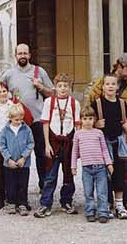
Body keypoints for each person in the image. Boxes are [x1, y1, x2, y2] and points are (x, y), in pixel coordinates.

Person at [87, 53, 127, 211]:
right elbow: (89, 104)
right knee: (105, 167)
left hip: (124, 133)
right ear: (119, 66)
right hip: (103, 134)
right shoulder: (102, 82)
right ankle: (108, 201)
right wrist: (95, 123)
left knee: (126, 166)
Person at [1, 43, 54, 191]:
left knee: (41, 155)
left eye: (25, 53)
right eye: (20, 53)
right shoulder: (8, 74)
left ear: (30, 55)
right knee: (16, 155)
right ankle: (14, 190)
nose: (23, 56)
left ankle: (44, 186)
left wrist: (41, 87)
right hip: (17, 123)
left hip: (37, 120)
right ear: (15, 56)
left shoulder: (39, 71)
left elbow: (52, 93)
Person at [0, 81, 33, 210]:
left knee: (15, 169)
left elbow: (29, 119)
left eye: (4, 91)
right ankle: (0, 197)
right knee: (0, 170)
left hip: (14, 137)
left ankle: (16, 197)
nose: (2, 94)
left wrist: (19, 103)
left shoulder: (14, 105)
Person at [34, 73, 80, 218]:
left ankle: (66, 201)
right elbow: (45, 123)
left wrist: (77, 147)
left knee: (68, 174)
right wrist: (47, 144)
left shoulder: (74, 103)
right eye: (59, 86)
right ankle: (45, 204)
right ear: (55, 87)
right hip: (53, 142)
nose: (62, 89)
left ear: (70, 87)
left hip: (68, 141)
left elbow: (78, 126)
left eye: (65, 86)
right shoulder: (49, 102)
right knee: (50, 175)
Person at [91, 73, 127, 220]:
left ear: (117, 87)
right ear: (102, 87)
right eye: (107, 84)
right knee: (104, 175)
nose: (110, 86)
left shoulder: (122, 104)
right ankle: (106, 204)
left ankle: (119, 204)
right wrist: (96, 124)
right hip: (102, 144)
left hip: (118, 143)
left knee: (119, 174)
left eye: (113, 84)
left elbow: (126, 122)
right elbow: (88, 123)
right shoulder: (96, 104)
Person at [71, 107, 113, 223]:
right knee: (88, 191)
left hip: (100, 168)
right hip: (86, 168)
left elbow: (104, 150)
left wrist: (109, 163)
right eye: (85, 118)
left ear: (94, 119)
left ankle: (103, 212)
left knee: (102, 191)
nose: (88, 121)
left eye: (90, 118)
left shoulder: (99, 133)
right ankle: (90, 211)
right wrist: (73, 166)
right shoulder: (78, 134)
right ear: (81, 120)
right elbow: (74, 151)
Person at [0, 104, 34, 216]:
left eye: (21, 119)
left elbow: (30, 143)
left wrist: (24, 157)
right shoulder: (5, 130)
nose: (19, 122)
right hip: (9, 164)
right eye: (16, 119)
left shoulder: (27, 129)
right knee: (10, 184)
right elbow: (2, 145)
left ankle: (22, 203)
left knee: (23, 183)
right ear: (10, 118)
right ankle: (11, 202)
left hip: (23, 163)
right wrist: (8, 159)